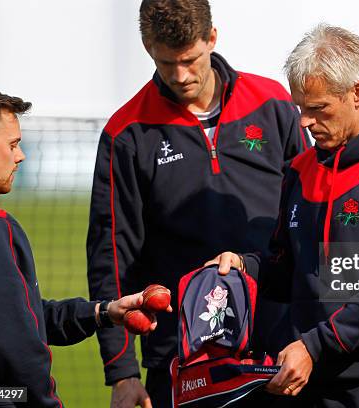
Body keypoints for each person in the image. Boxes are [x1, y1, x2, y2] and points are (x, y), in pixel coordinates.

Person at [86, 0, 308, 406]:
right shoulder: (128, 133)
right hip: (181, 355)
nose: (180, 75)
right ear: (147, 46)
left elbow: (307, 219)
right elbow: (111, 257)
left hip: (276, 345)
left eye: (189, 59)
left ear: (211, 38)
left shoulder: (272, 104)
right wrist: (121, 372)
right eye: (166, 62)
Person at [209, 24, 359, 407]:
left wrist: (315, 345)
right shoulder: (300, 169)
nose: (305, 123)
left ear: (358, 93)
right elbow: (287, 272)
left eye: (318, 109)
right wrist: (245, 267)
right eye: (300, 108)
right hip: (309, 380)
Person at [0, 85, 165, 408]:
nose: (20, 155)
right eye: (13, 144)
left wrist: (102, 312)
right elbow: (14, 343)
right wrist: (46, 402)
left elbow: (12, 314)